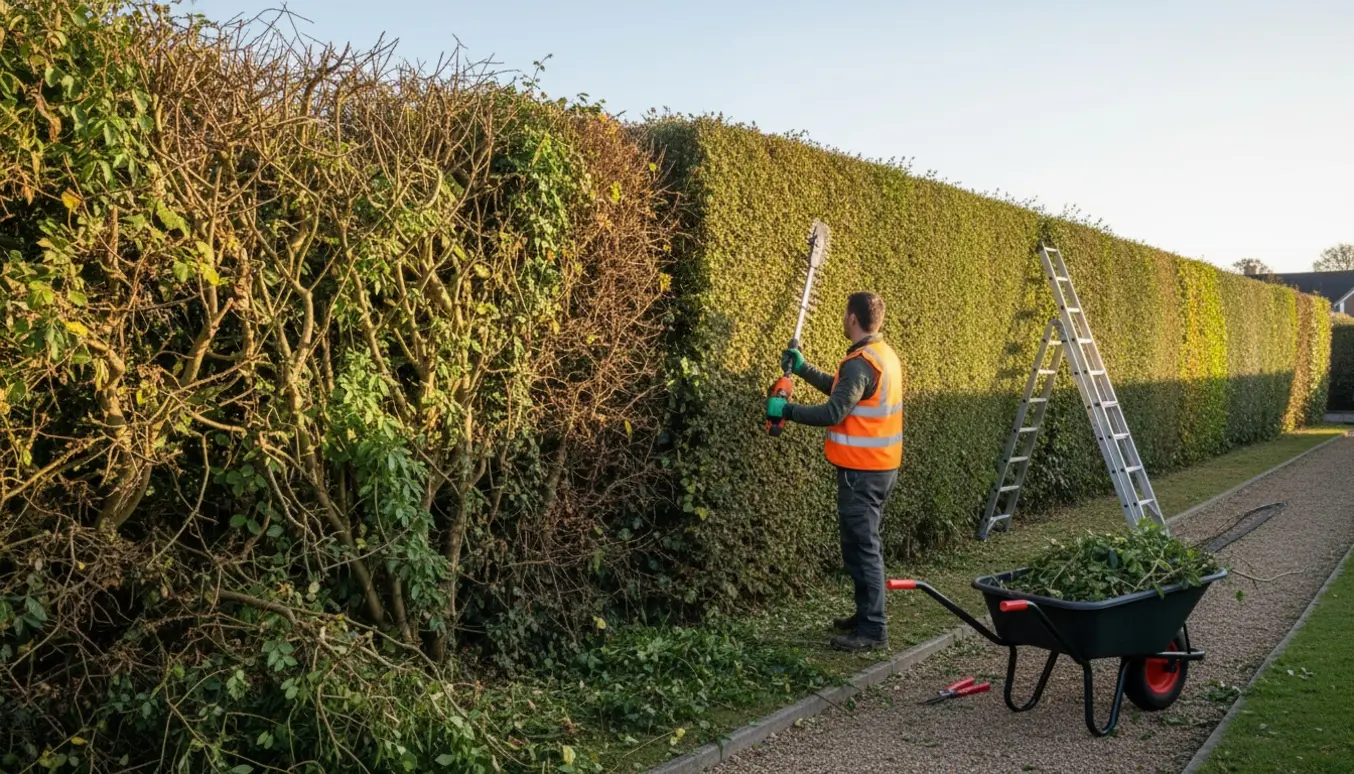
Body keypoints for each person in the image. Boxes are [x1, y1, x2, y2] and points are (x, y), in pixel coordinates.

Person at [766, 291, 904, 652]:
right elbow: (844, 392)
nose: (843, 319)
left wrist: (786, 411)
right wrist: (803, 369)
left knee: (864, 548)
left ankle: (873, 630)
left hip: (863, 473)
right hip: (878, 468)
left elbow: (834, 411)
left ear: (853, 318)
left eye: (845, 314)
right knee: (858, 547)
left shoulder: (862, 363)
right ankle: (865, 616)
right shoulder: (881, 355)